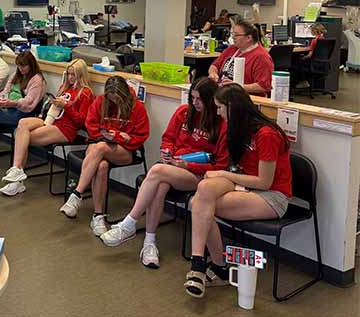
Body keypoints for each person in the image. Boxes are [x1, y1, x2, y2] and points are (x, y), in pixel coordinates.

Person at [100, 78, 228, 268]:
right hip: (173, 166)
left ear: (210, 100)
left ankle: (129, 223)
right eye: (193, 98)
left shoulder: (221, 124)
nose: (195, 103)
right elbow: (168, 138)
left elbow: (220, 166)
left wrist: (187, 165)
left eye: (200, 99)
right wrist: (166, 151)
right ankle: (149, 243)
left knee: (157, 171)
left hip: (198, 174)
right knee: (160, 186)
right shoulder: (184, 112)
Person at [183, 84, 292, 298]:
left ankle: (211, 266)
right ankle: (202, 264)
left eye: (220, 108)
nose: (217, 112)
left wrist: (224, 175)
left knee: (200, 205)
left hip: (272, 196)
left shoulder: (267, 134)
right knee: (204, 190)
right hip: (244, 184)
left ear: (232, 107)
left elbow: (264, 182)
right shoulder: (238, 129)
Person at [59, 76, 149, 238]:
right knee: (101, 166)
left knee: (99, 148)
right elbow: (90, 124)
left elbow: (140, 136)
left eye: (117, 99)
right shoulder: (101, 101)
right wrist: (105, 135)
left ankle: (77, 194)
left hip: (123, 150)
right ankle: (98, 216)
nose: (114, 102)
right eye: (111, 99)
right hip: (99, 144)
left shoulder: (137, 107)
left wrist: (119, 137)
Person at [0, 59, 94, 197]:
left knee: (23, 138)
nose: (70, 77)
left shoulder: (86, 93)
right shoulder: (65, 87)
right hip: (52, 120)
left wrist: (66, 106)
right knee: (22, 124)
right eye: (69, 74)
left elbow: (82, 121)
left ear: (81, 75)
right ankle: (17, 171)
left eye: (74, 74)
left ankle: (17, 179)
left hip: (66, 129)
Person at [208, 18, 273, 96]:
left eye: (236, 35)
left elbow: (264, 86)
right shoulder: (233, 48)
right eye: (233, 34)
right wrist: (213, 74)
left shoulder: (262, 57)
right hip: (224, 94)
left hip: (246, 98)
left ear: (249, 38)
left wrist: (239, 87)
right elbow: (214, 65)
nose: (233, 37)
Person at [293, 23, 327, 87]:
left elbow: (309, 55)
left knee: (297, 62)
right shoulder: (323, 39)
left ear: (314, 31)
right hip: (321, 63)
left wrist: (303, 57)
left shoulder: (314, 41)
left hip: (313, 63)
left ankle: (303, 81)